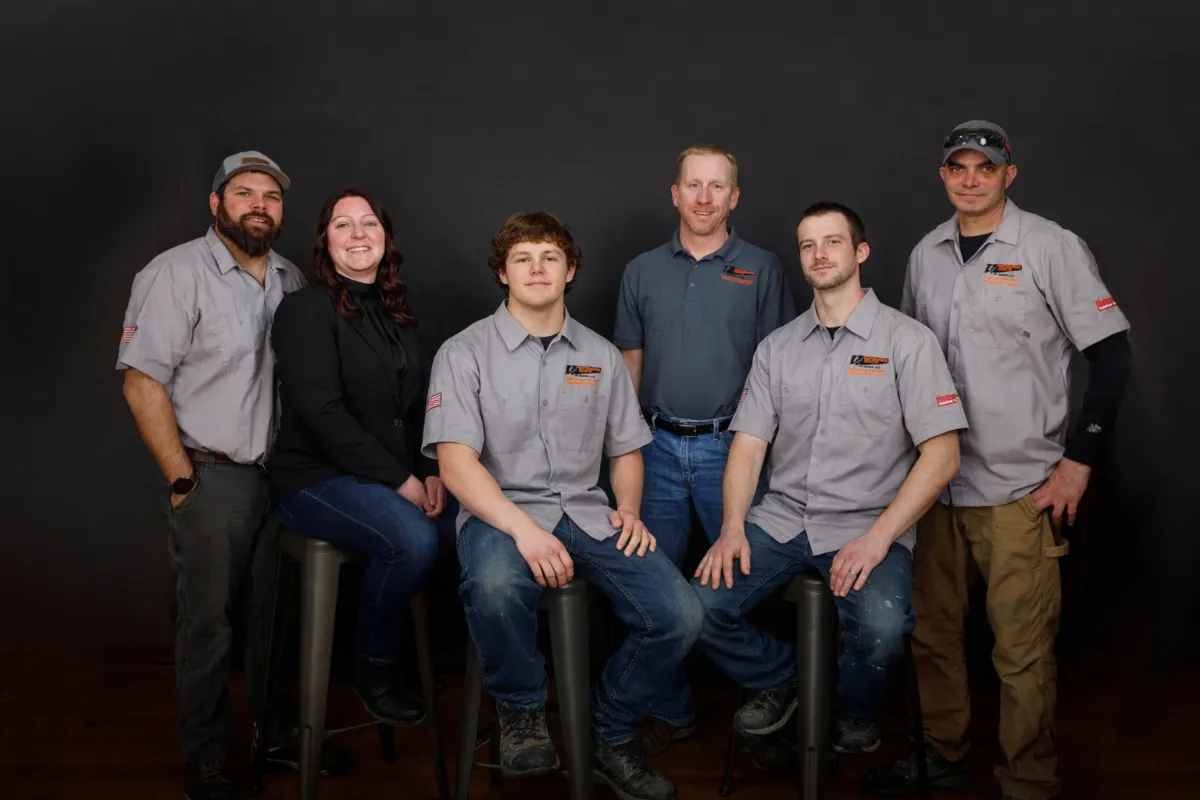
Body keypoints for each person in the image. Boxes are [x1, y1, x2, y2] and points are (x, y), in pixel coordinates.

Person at [862, 121, 1134, 800]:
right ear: (944, 176)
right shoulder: (926, 254)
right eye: (958, 167)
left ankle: (1028, 782)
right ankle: (944, 754)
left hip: (1021, 487)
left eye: (985, 166)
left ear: (1009, 173)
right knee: (933, 638)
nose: (971, 178)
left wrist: (1080, 461)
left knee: (1021, 654)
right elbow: (907, 365)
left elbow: (1111, 355)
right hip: (936, 486)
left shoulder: (1050, 246)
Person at [422, 212, 703, 800]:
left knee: (680, 614)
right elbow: (455, 463)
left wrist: (627, 508)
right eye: (522, 258)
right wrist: (525, 533)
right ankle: (522, 714)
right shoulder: (464, 352)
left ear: (570, 269)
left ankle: (611, 729)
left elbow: (626, 448)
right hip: (501, 515)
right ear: (502, 272)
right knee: (496, 587)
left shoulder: (599, 355)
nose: (537, 269)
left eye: (550, 257)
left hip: (589, 515)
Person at [692, 202, 967, 756]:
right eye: (808, 245)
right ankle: (784, 680)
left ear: (860, 252)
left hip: (869, 523)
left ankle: (854, 711)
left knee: (885, 628)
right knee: (694, 609)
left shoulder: (907, 342)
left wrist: (879, 538)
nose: (819, 254)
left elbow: (942, 456)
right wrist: (732, 529)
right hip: (783, 519)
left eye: (832, 242)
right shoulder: (777, 349)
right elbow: (748, 448)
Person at [117, 151, 306, 800]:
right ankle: (207, 756)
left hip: (277, 480)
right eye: (244, 192)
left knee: (272, 619)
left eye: (271, 197)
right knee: (207, 623)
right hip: (209, 474)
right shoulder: (174, 274)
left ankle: (274, 740)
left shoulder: (291, 279)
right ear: (215, 203)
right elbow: (142, 382)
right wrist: (179, 477)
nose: (259, 204)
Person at [611, 144, 796, 754]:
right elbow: (628, 369)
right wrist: (625, 450)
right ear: (675, 192)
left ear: (734, 197)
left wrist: (757, 447)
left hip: (731, 447)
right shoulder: (641, 269)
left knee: (740, 578)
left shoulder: (763, 268)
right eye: (694, 185)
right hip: (656, 447)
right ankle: (671, 710)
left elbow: (780, 367)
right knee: (654, 589)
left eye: (717, 187)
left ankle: (764, 709)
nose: (704, 197)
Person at [267, 187, 455, 728]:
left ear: (386, 238)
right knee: (413, 538)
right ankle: (370, 666)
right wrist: (401, 480)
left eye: (368, 223)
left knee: (462, 528)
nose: (357, 235)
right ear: (325, 241)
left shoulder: (397, 312)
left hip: (385, 475)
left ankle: (419, 655)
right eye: (342, 225)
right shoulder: (305, 309)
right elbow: (323, 414)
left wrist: (429, 470)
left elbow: (416, 407)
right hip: (312, 477)